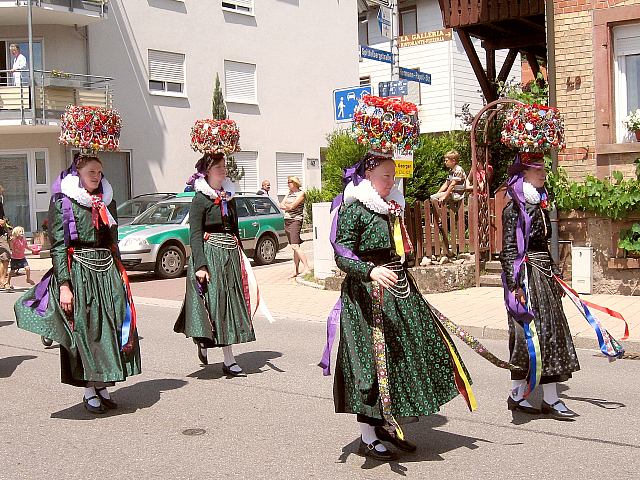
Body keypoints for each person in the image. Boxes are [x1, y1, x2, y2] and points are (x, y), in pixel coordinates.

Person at [329, 152, 475, 460]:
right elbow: (341, 254)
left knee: (401, 357)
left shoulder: (389, 208)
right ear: (368, 176)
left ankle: (384, 423)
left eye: (393, 174)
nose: (392, 180)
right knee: (370, 363)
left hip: (397, 289)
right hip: (366, 296)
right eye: (386, 175)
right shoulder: (354, 209)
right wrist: (369, 270)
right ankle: (367, 436)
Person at [14, 153, 141, 414]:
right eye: (91, 172)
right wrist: (64, 285)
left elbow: (112, 241)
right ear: (79, 174)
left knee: (110, 326)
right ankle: (87, 389)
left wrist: (119, 273)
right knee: (86, 331)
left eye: (99, 172)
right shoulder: (63, 202)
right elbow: (59, 246)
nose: (97, 176)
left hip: (106, 271)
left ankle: (103, 384)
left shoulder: (107, 201)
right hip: (80, 272)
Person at [500, 154, 580, 419]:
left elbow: (544, 246)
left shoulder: (539, 206)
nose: (543, 173)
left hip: (543, 274)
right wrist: (515, 285)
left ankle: (551, 398)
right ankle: (517, 394)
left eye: (544, 169)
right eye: (538, 169)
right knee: (528, 335)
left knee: (551, 333)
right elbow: (510, 249)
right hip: (526, 277)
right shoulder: (514, 209)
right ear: (524, 173)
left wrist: (555, 273)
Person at [174, 153, 255, 376]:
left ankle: (228, 359)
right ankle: (205, 339)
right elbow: (196, 234)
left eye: (224, 166)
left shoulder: (230, 197)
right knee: (215, 305)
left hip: (229, 256)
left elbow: (235, 230)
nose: (223, 170)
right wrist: (200, 265)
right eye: (218, 166)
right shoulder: (200, 199)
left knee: (229, 307)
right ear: (207, 171)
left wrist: (242, 257)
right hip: (210, 257)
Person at [429, 150, 467, 256]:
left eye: (447, 160)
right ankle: (439, 218)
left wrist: (444, 196)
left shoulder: (458, 170)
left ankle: (439, 219)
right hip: (452, 192)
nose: (445, 162)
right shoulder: (451, 170)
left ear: (453, 161)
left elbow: (452, 185)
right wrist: (438, 194)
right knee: (433, 198)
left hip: (457, 194)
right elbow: (446, 184)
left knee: (434, 198)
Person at [279, 175, 310, 278]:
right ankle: (295, 270)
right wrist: (287, 207)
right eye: (287, 182)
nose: (288, 184)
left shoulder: (301, 193)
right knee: (294, 246)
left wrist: (287, 206)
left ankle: (307, 268)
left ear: (295, 183)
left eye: (289, 182)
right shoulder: (289, 193)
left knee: (295, 245)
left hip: (296, 220)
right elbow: (280, 205)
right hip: (287, 220)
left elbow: (293, 206)